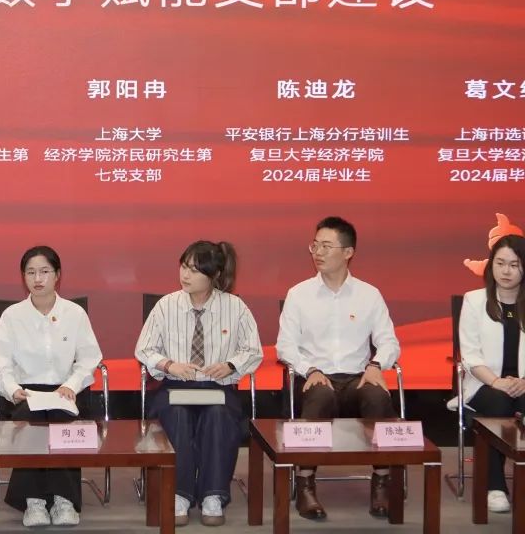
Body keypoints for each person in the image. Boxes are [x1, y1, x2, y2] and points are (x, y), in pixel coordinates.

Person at [276, 216, 400, 521]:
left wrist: (376, 365)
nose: (317, 252)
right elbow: (285, 346)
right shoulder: (299, 294)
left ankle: (382, 483)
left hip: (357, 377)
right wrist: (310, 369)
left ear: (348, 252)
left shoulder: (369, 294)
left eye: (326, 246)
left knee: (377, 396)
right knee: (320, 396)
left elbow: (389, 342)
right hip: (314, 377)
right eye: (315, 245)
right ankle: (306, 484)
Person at [135, 240, 262, 527]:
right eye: (183, 267)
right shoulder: (166, 305)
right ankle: (178, 493)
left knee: (219, 416)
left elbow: (253, 350)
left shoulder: (235, 307)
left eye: (194, 270)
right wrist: (170, 365)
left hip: (217, 388)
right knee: (177, 416)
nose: (185, 275)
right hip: (175, 387)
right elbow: (144, 349)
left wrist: (230, 365)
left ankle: (212, 495)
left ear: (214, 274)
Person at [0, 245, 103, 528]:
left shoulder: (74, 313)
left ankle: (64, 500)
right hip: (26, 391)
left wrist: (71, 385)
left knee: (62, 418)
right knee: (32, 418)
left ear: (57, 275)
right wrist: (13, 389)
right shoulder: (12, 315)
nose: (38, 279)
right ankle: (34, 501)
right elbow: (0, 363)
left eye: (44, 271)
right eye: (31, 272)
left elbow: (89, 359)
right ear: (23, 277)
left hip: (66, 390)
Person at [458, 233, 525, 514]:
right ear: (491, 265)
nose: (506, 271)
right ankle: (495, 486)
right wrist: (497, 382)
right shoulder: (474, 301)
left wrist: (523, 383)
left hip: (523, 384)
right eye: (500, 263)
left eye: (514, 264)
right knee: (499, 403)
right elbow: (470, 356)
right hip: (483, 383)